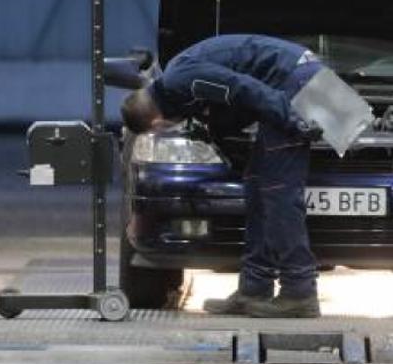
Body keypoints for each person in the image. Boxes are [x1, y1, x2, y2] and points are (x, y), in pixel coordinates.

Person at [121, 34, 326, 319]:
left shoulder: (181, 79)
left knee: (276, 190)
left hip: (296, 80)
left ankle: (300, 292)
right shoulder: (178, 87)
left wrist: (293, 119)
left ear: (156, 122)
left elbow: (243, 88)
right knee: (257, 186)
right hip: (292, 77)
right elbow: (232, 104)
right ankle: (254, 289)